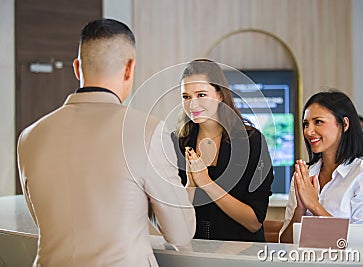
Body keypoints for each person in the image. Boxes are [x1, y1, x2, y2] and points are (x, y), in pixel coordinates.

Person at [17, 18, 195, 267]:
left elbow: (44, 219)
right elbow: (180, 234)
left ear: (77, 68)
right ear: (129, 68)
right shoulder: (148, 131)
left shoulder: (29, 137)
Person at [171, 59, 274, 242]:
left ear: (220, 94)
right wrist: (191, 185)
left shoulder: (251, 142)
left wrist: (206, 182)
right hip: (192, 254)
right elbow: (174, 220)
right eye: (186, 97)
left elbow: (254, 222)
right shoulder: (176, 143)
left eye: (201, 95)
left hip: (241, 256)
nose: (192, 105)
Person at [279, 90, 363, 243]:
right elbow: (285, 243)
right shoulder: (304, 176)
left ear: (344, 124)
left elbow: (358, 244)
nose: (308, 131)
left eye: (318, 122)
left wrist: (314, 206)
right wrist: (300, 208)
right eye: (306, 124)